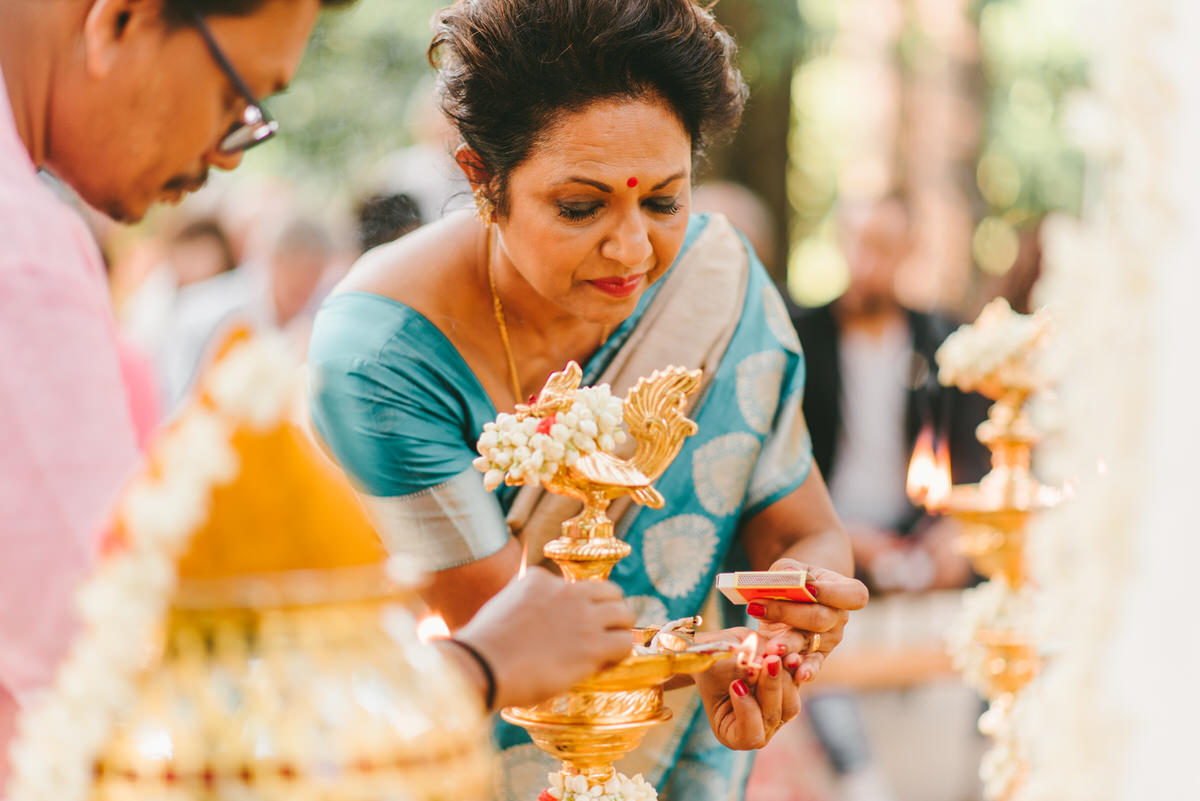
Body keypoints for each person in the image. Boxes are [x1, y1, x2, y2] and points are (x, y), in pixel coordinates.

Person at [0, 0, 636, 788]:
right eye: (240, 97)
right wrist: (477, 666)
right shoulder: (21, 259)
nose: (229, 153)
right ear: (120, 21)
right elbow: (112, 702)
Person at [307, 2, 868, 799]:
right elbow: (519, 638)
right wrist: (710, 654)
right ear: (482, 180)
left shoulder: (718, 287)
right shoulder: (382, 359)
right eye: (580, 207)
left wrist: (793, 618)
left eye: (665, 201)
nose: (633, 248)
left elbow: (804, 528)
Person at [789, 195, 990, 801]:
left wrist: (954, 532)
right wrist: (842, 534)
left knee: (1005, 580)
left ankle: (985, 763)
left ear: (906, 253)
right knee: (801, 598)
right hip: (828, 525)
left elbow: (974, 450)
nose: (868, 261)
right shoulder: (801, 339)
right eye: (857, 243)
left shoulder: (943, 338)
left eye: (883, 246)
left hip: (920, 529)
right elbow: (785, 463)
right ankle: (857, 773)